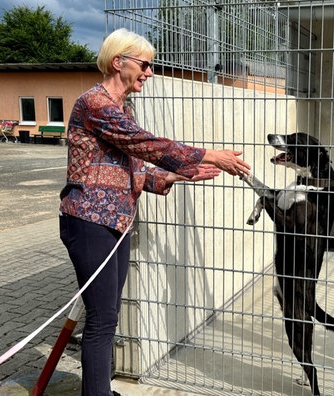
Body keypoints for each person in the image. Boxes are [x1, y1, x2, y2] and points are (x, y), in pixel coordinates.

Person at [58, 28, 251, 396]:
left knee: (109, 316)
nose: (149, 72)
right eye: (145, 64)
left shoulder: (121, 109)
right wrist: (209, 154)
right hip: (89, 223)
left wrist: (179, 174)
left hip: (115, 223)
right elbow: (144, 144)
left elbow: (136, 165)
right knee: (101, 320)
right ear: (119, 62)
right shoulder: (94, 104)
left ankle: (100, 390)